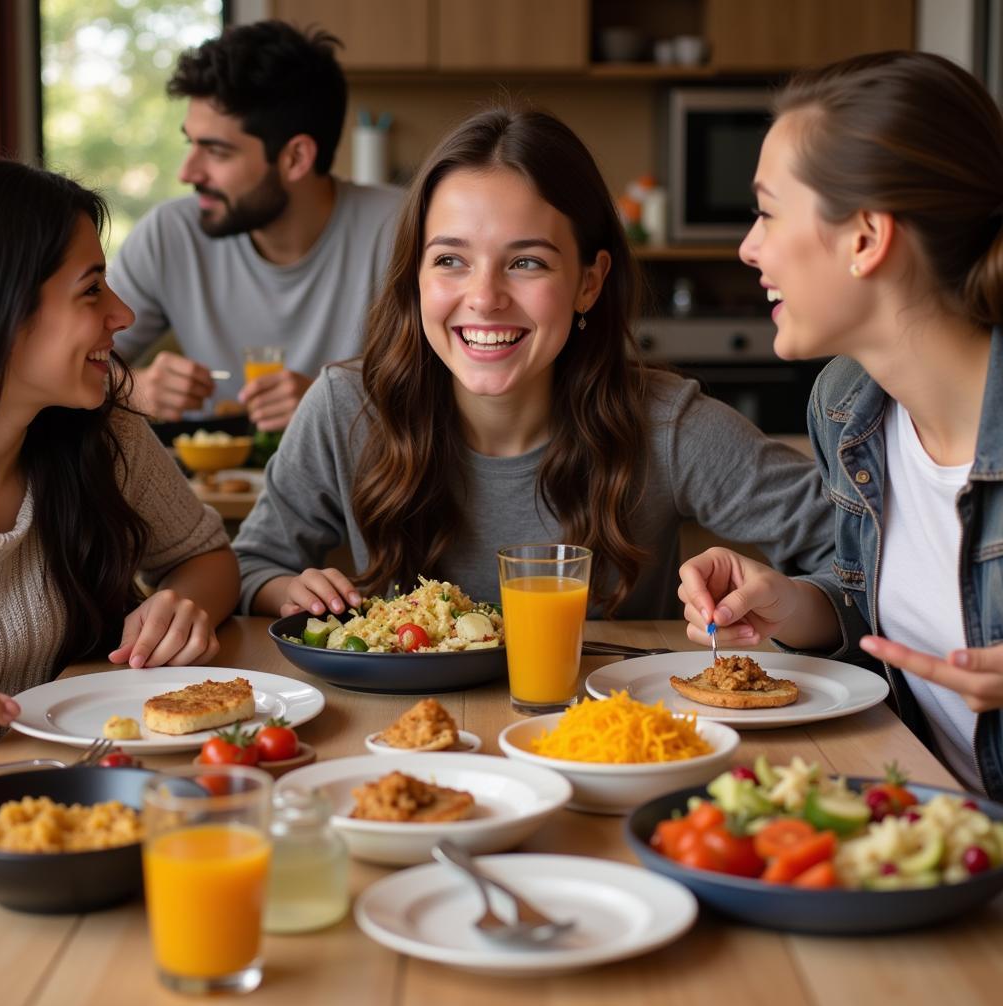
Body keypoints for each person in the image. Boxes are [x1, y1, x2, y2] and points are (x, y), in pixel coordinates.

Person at [233, 106, 834, 623]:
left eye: (526, 263)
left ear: (589, 283)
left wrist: (789, 602)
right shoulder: (348, 407)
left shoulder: (666, 426)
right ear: (415, 276)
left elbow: (854, 548)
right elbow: (249, 565)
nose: (485, 296)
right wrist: (288, 590)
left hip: (604, 743)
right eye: (449, 260)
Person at [676, 51, 1003, 799]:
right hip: (918, 821)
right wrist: (794, 602)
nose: (748, 248)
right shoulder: (847, 405)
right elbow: (878, 603)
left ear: (864, 238)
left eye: (765, 212)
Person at [0, 158, 240, 748]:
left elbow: (207, 556)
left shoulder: (102, 429)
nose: (123, 315)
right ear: (0, 308)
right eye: (91, 289)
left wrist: (180, 607)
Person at [108, 20, 402, 432]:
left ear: (296, 158)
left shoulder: (403, 232)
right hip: (202, 488)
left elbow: (462, 391)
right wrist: (133, 388)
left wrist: (336, 404)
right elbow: (53, 365)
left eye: (216, 151)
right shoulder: (169, 236)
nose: (187, 172)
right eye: (190, 143)